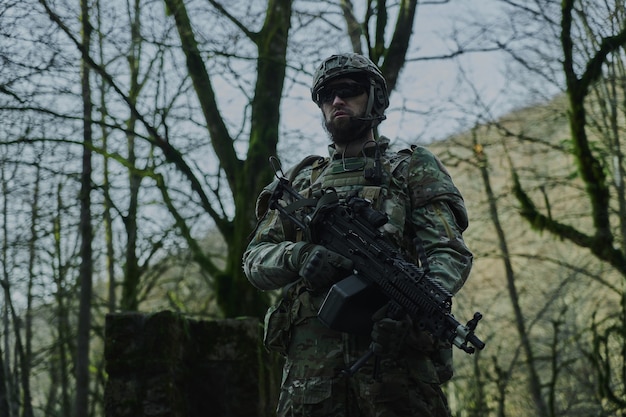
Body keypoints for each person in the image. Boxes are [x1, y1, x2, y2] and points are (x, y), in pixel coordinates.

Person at [243, 53, 473, 417]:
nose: (337, 101)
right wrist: (298, 256)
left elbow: (447, 252)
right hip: (310, 380)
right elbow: (255, 260)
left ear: (375, 98)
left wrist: (411, 311)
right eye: (327, 95)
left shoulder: (410, 168)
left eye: (349, 91)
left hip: (394, 374)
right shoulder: (302, 181)